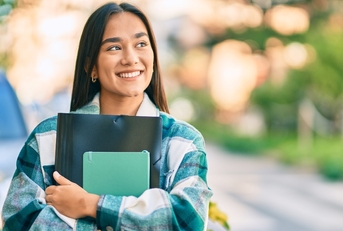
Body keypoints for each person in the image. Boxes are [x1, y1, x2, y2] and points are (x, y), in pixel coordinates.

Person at [1, 2, 213, 230]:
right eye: (114, 48)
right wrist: (142, 216)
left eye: (141, 44)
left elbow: (186, 219)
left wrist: (90, 204)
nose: (131, 58)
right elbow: (19, 220)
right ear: (90, 65)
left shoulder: (183, 141)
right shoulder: (49, 137)